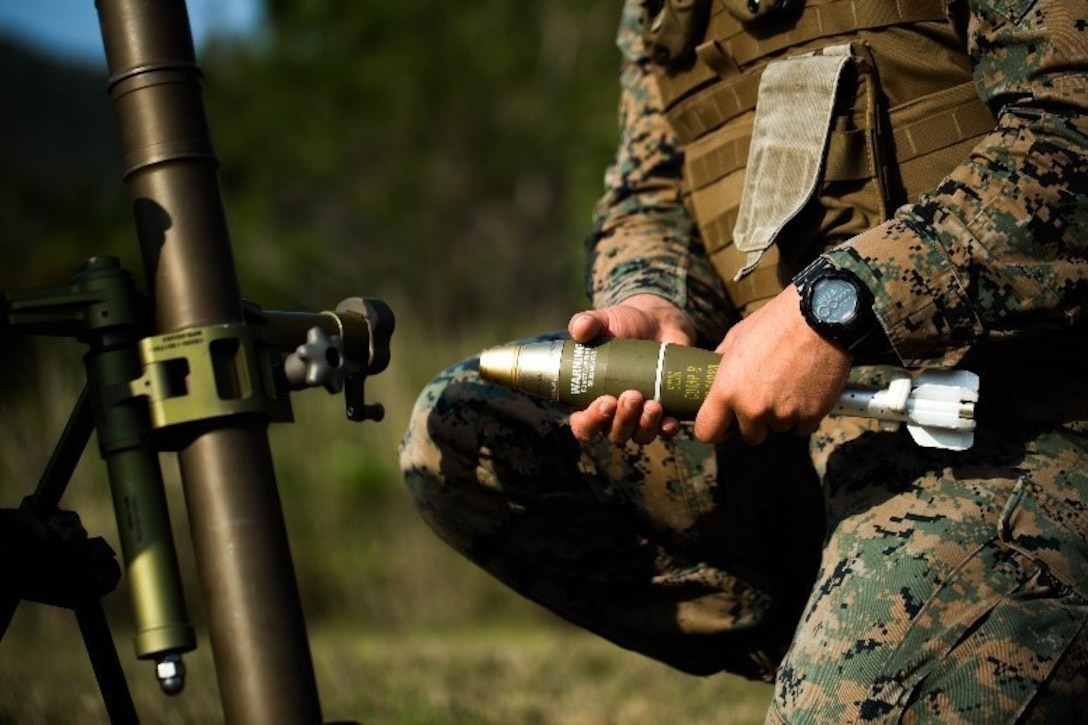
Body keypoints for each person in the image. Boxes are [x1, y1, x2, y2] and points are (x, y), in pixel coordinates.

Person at [400, 0, 1088, 720]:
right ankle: (871, 633)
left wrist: (840, 306)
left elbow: (1070, 136)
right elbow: (652, 192)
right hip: (804, 432)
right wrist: (655, 300)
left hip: (1022, 423)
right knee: (464, 431)